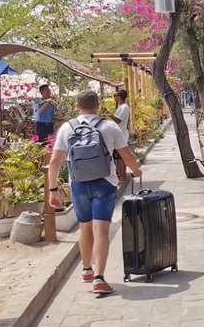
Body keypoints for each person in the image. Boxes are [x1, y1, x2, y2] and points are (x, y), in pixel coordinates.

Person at [47, 89, 142, 296]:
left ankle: (87, 270)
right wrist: (136, 171)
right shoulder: (109, 126)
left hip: (78, 184)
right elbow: (127, 156)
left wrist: (52, 191)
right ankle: (99, 278)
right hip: (104, 184)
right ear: (98, 106)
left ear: (76, 106)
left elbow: (54, 161)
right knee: (101, 230)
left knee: (84, 227)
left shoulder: (67, 128)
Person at [110, 89, 132, 185]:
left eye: (115, 95)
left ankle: (122, 177)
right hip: (119, 135)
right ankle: (122, 176)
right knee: (119, 157)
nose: (114, 97)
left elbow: (118, 120)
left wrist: (109, 115)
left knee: (120, 157)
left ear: (119, 96)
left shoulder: (124, 107)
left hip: (121, 136)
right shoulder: (121, 107)